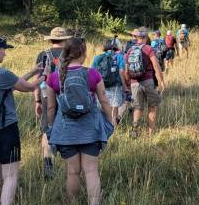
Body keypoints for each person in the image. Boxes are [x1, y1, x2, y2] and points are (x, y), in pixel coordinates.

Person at [0, 35, 45, 205]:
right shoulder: (2, 73)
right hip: (5, 130)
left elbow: (13, 82)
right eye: (3, 50)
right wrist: (45, 75)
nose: (5, 54)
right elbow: (28, 87)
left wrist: (33, 71)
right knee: (10, 176)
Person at [46, 37, 114, 205]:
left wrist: (50, 127)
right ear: (83, 53)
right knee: (91, 172)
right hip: (91, 130)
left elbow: (51, 108)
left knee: (72, 173)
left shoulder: (54, 77)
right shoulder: (92, 73)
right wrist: (111, 121)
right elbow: (104, 100)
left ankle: (72, 202)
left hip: (65, 131)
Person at [33, 27, 72, 178]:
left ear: (51, 39)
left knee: (46, 129)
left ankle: (48, 163)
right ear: (65, 39)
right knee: (68, 126)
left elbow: (37, 80)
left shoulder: (42, 55)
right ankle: (69, 162)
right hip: (66, 95)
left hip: (45, 94)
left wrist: (37, 100)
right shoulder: (70, 53)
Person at [123, 27, 166, 137]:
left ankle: (134, 129)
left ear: (137, 38)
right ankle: (150, 134)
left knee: (137, 107)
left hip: (134, 83)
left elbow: (126, 70)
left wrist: (129, 83)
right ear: (146, 38)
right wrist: (161, 81)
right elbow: (156, 66)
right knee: (152, 106)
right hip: (148, 81)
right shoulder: (149, 49)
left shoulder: (130, 50)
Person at [92, 39, 129, 124]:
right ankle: (113, 132)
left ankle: (102, 131)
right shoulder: (119, 57)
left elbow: (92, 73)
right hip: (115, 87)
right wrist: (125, 86)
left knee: (101, 111)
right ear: (116, 46)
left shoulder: (98, 57)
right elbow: (121, 72)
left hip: (100, 87)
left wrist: (93, 89)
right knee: (114, 113)